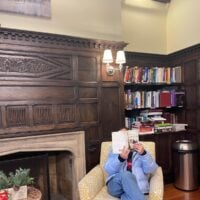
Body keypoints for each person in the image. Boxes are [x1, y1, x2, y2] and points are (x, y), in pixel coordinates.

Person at [104, 129, 158, 200]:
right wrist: (120, 158)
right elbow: (108, 169)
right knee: (126, 174)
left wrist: (143, 154)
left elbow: (151, 170)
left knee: (130, 194)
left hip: (135, 188)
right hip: (116, 186)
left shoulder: (141, 152)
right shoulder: (114, 151)